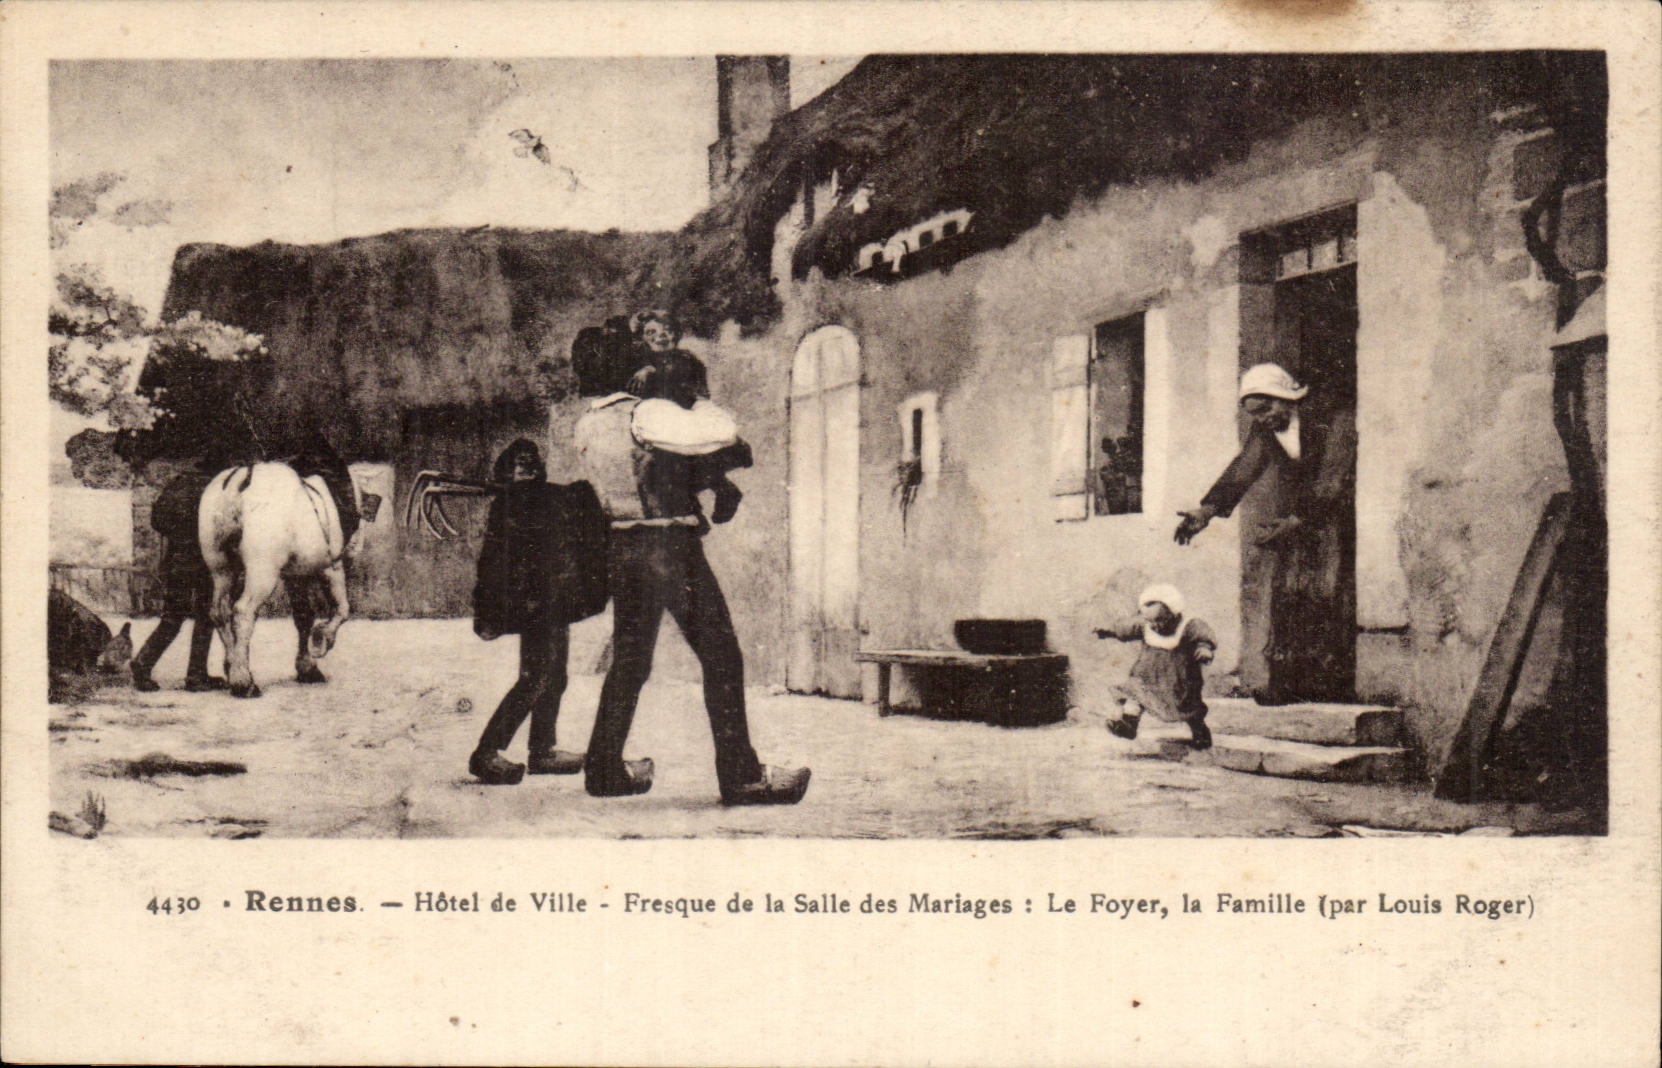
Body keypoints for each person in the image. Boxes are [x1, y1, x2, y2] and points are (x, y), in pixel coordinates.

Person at [572, 320, 810, 805]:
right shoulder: (647, 415)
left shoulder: (587, 423)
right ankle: (742, 777)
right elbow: (720, 433)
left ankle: (603, 769)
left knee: (630, 663)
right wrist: (700, 408)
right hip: (670, 549)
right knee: (722, 657)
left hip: (622, 548)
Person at [1173, 362, 1357, 704]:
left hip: (1329, 518)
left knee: (1327, 591)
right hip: (1295, 521)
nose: (1263, 419)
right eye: (1255, 414)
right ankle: (1288, 685)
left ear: (1286, 397)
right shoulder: (1266, 431)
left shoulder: (1332, 419)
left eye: (1266, 409)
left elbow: (1334, 478)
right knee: (1287, 593)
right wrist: (1207, 511)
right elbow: (1244, 468)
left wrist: (1300, 521)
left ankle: (1331, 686)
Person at [467, 439, 608, 786]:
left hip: (555, 600)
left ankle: (543, 750)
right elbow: (494, 566)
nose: (526, 469)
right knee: (536, 678)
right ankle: (486, 753)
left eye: (531, 463)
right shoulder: (510, 506)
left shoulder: (547, 498)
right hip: (535, 605)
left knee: (555, 676)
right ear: (506, 472)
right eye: (518, 465)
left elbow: (573, 504)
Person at [131, 457, 226, 692]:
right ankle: (195, 676)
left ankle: (143, 664)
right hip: (205, 561)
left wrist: (179, 534)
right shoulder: (216, 489)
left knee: (173, 617)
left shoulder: (177, 484)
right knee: (205, 616)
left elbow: (157, 521)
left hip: (177, 560)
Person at [1094, 584, 1217, 748]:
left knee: (1189, 710)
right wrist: (1108, 631)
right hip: (1146, 678)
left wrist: (1204, 649)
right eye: (1149, 620)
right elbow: (1126, 628)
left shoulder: (1188, 626)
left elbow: (1202, 637)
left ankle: (1200, 733)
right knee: (1134, 693)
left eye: (1160, 620)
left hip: (1178, 683)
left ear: (1173, 613)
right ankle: (1129, 725)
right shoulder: (1146, 625)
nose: (1154, 625)